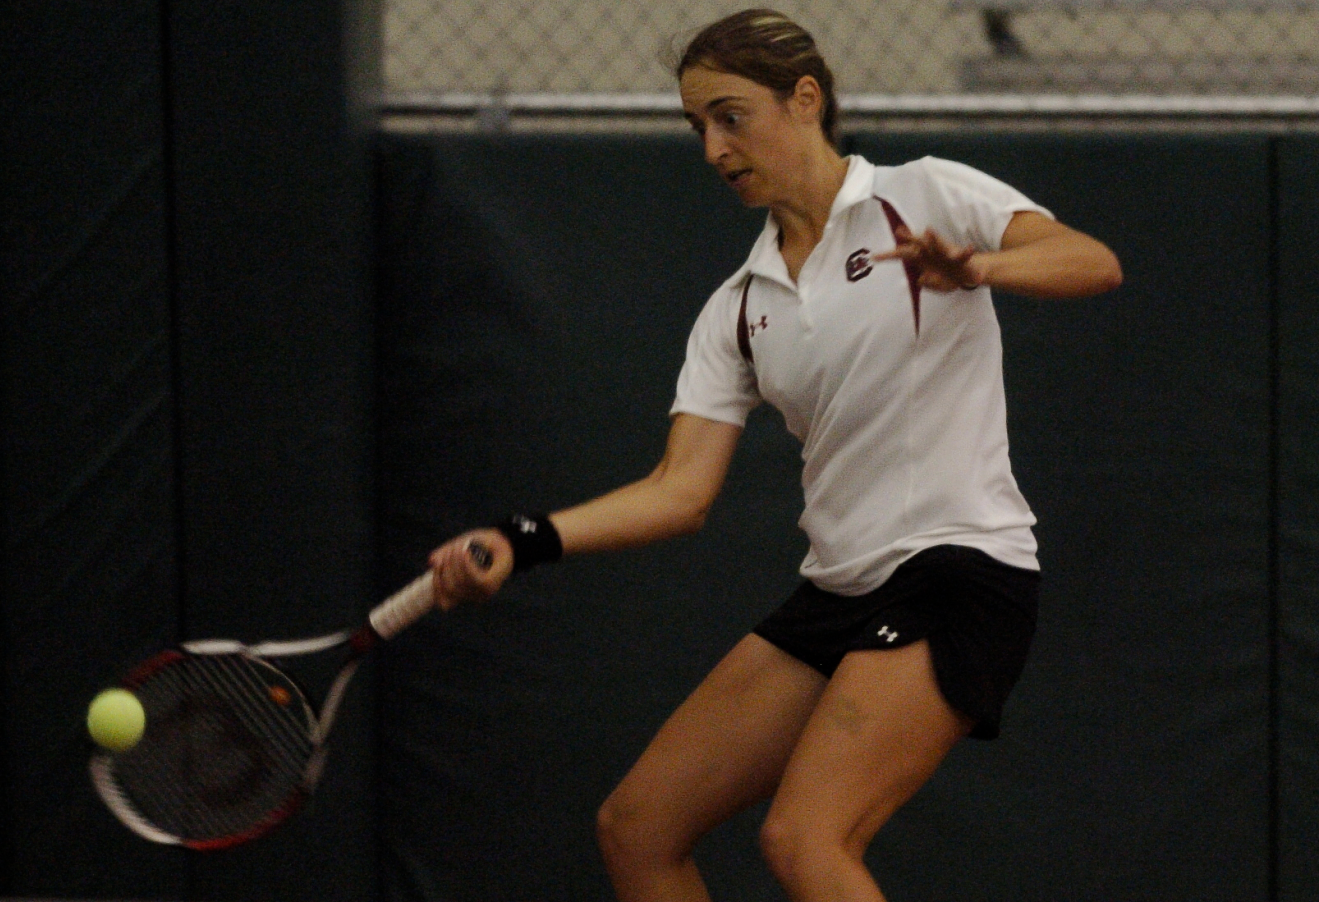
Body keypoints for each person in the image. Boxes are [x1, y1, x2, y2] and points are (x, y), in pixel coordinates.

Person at [427, 9, 1122, 901]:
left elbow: (1091, 261)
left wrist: (980, 269)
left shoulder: (928, 194)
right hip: (841, 587)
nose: (715, 148)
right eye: (697, 128)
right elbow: (679, 492)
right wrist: (521, 540)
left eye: (730, 115)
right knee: (638, 829)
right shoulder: (736, 308)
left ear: (804, 100)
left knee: (805, 839)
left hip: (959, 567)